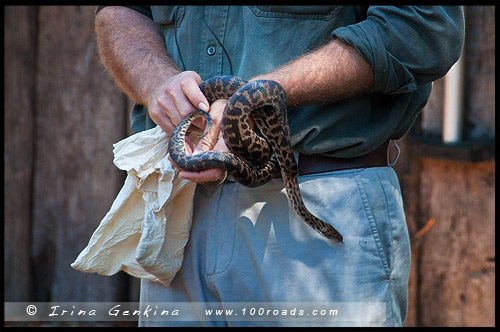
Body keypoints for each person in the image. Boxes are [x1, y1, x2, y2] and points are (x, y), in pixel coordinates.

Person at [94, 6, 464, 327]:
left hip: (321, 197)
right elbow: (120, 12)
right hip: (178, 210)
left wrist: (253, 97)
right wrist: (158, 84)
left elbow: (422, 27)